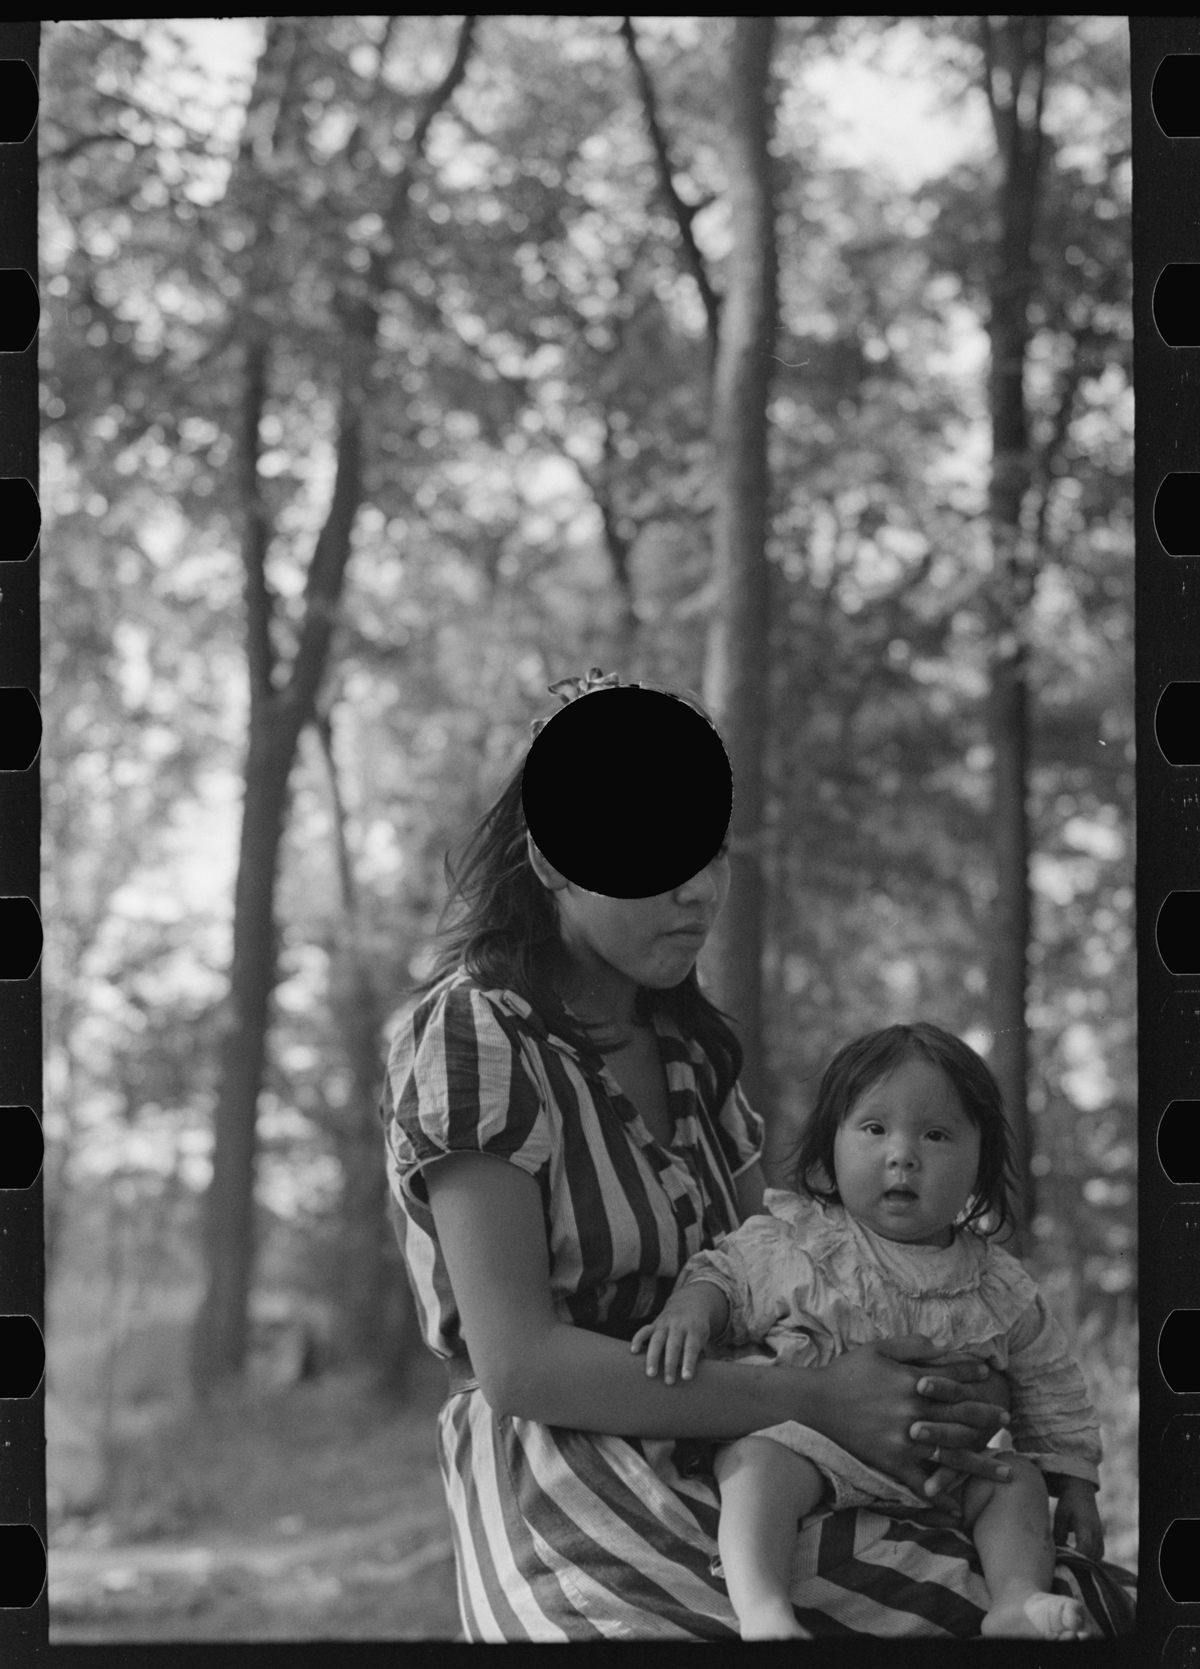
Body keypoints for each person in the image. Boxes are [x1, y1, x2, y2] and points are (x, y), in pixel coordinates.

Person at [381, 670, 1126, 1640]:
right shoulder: (476, 1031)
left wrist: (925, 1378)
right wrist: (818, 1394)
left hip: (753, 1444)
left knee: (1083, 1604)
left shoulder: (695, 1055)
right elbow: (520, 1366)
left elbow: (770, 1282)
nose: (696, 890)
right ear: (554, 862)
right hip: (575, 1488)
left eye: (709, 849)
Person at [633, 1022, 1105, 1641]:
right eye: (875, 1129)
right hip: (814, 1451)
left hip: (943, 1472)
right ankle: (764, 1609)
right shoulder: (801, 1239)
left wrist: (1074, 1482)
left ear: (980, 1162)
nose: (902, 1154)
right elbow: (728, 1277)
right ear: (832, 1143)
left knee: (1015, 1480)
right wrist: (692, 1310)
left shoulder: (999, 1284)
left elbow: (1049, 1380)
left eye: (936, 1135)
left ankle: (1015, 1601)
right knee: (755, 1463)